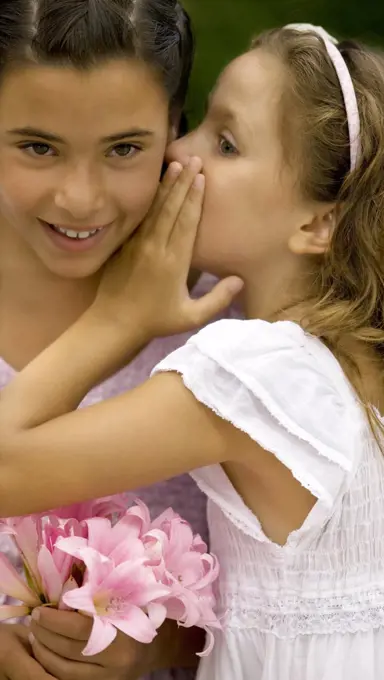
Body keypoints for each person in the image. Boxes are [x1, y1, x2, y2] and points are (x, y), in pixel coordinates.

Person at [1, 20, 384, 680]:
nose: (181, 154)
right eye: (198, 126)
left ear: (319, 223)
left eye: (226, 142)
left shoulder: (255, 371)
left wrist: (118, 320)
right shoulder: (354, 367)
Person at [0, 0, 238, 678]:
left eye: (125, 149)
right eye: (38, 147)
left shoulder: (229, 320)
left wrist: (156, 644)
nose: (80, 198)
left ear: (176, 132)